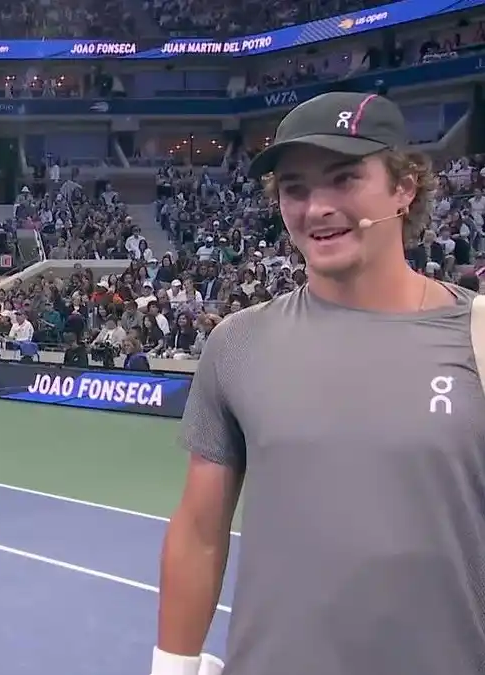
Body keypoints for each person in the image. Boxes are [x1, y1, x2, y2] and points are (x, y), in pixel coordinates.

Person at [152, 92, 485, 675]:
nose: (317, 207)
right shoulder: (236, 343)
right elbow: (201, 531)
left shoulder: (476, 334)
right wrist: (172, 667)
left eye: (346, 178)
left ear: (404, 188)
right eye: (295, 188)